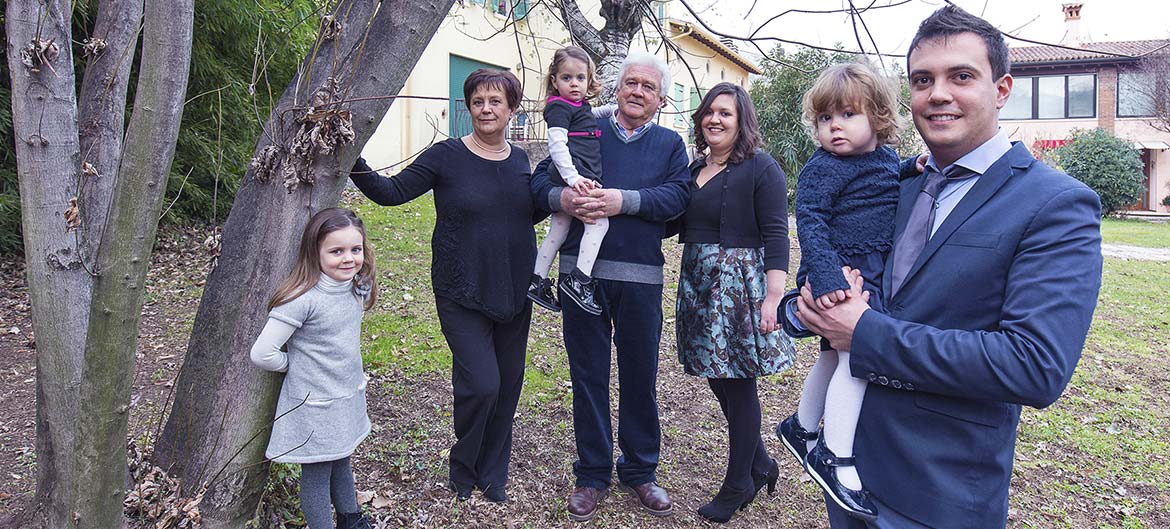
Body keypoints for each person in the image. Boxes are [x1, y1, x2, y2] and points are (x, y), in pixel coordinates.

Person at [792, 6, 1103, 529]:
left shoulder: (1054, 204)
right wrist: (804, 307)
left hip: (940, 495)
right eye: (922, 80)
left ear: (1001, 89)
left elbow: (1034, 365)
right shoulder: (890, 182)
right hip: (848, 477)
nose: (938, 94)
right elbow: (844, 276)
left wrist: (865, 333)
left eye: (961, 76)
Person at [348, 69, 538, 503]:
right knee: (482, 385)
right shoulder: (446, 156)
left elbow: (531, 212)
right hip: (460, 288)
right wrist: (352, 156)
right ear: (468, 107)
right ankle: (463, 465)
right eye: (478, 101)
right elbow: (391, 192)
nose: (486, 109)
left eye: (495, 101)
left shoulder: (522, 162)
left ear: (512, 109)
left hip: (514, 289)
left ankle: (493, 473)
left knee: (508, 387)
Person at [530, 51, 690, 522]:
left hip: (641, 277)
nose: (638, 91)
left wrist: (624, 200)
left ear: (661, 100)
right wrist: (563, 198)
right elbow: (539, 181)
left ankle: (640, 470)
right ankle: (593, 474)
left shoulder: (670, 144)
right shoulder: (586, 124)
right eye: (631, 83)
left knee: (640, 376)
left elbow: (678, 197)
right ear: (616, 89)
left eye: (648, 87)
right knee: (588, 375)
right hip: (581, 275)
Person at [773, 62, 903, 521]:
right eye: (826, 118)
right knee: (857, 360)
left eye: (848, 114)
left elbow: (890, 180)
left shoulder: (885, 159)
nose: (834, 127)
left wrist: (914, 167)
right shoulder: (823, 167)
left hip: (870, 268)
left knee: (832, 357)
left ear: (879, 118)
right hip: (842, 271)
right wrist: (827, 277)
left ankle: (801, 426)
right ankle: (835, 455)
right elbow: (809, 221)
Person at [673, 82, 795, 523]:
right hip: (698, 282)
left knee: (739, 382)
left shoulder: (762, 167)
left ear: (742, 120)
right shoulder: (694, 168)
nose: (715, 119)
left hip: (739, 286)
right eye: (709, 111)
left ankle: (738, 482)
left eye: (725, 113)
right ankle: (760, 464)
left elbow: (777, 233)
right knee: (716, 376)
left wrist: (773, 296)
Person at [250, 207, 379, 529]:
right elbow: (263, 353)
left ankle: (351, 520)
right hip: (316, 404)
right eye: (336, 251)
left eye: (355, 249)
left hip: (345, 394)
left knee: (342, 458)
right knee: (318, 473)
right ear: (314, 252)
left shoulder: (354, 288)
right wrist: (296, 366)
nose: (348, 258)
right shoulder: (302, 299)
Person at [529, 46, 616, 315]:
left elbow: (590, 116)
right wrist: (573, 178)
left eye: (580, 78)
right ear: (555, 81)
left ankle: (537, 280)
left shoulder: (579, 107)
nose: (574, 84)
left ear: (589, 80)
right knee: (599, 222)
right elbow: (556, 145)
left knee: (559, 228)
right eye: (567, 78)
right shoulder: (558, 108)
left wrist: (616, 109)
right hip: (574, 175)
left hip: (575, 175)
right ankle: (580, 280)